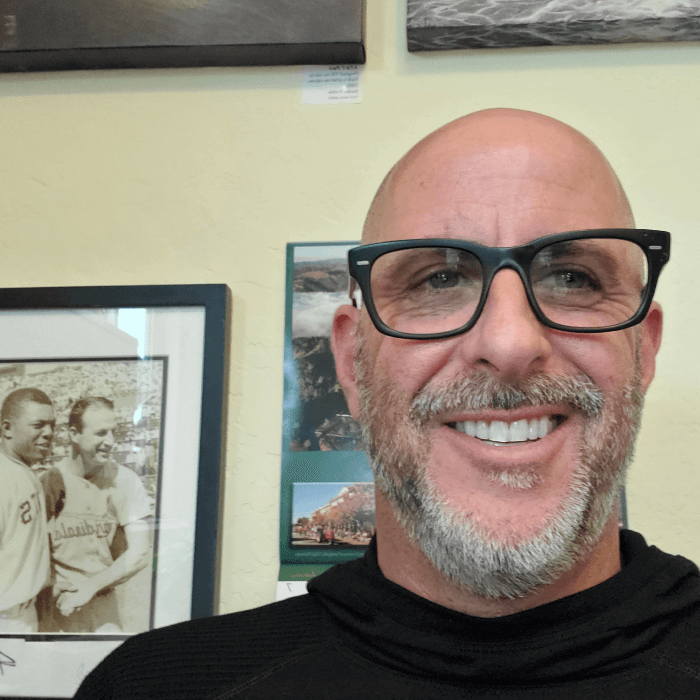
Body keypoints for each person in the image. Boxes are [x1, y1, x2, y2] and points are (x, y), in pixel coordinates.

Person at [75, 109, 700, 698]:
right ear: (351, 363)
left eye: (573, 279)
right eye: (439, 279)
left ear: (643, 352)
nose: (509, 342)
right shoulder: (155, 688)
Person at [39, 397, 152, 633]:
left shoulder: (125, 480)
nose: (110, 442)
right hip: (57, 609)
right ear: (74, 434)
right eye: (101, 433)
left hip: (103, 606)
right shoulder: (48, 482)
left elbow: (140, 552)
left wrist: (92, 586)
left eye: (113, 432)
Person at [0, 388, 54, 633]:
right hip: (7, 617)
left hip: (24, 611)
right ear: (7, 429)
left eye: (52, 425)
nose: (49, 433)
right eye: (38, 425)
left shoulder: (22, 468)